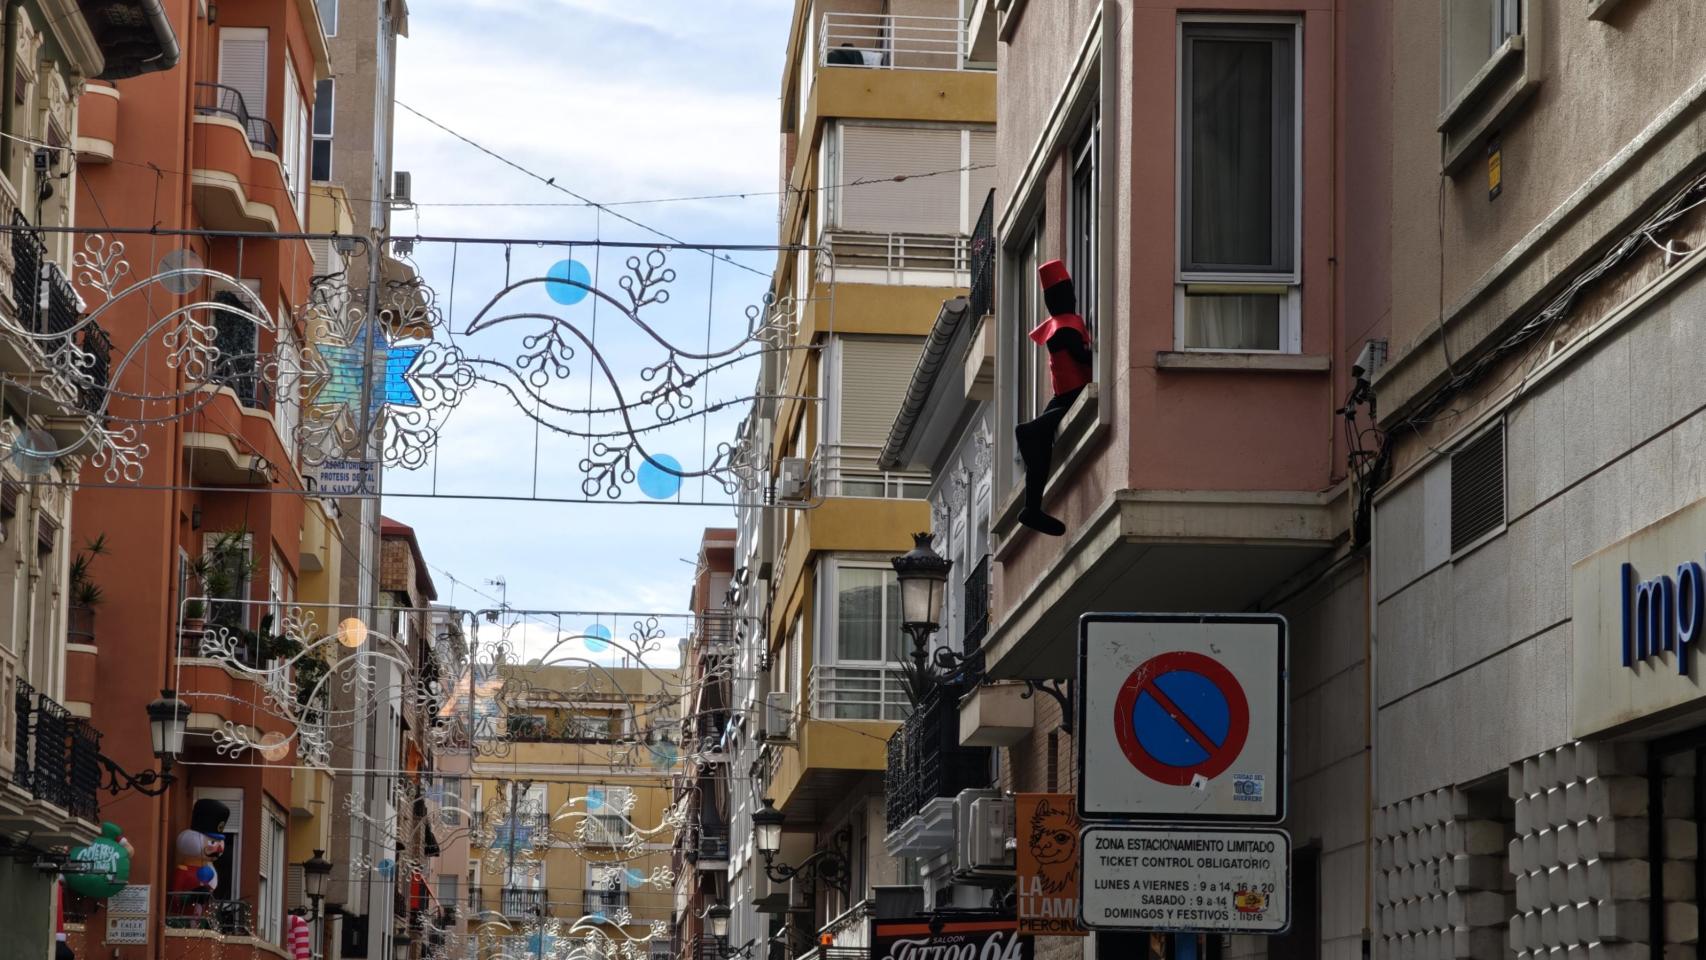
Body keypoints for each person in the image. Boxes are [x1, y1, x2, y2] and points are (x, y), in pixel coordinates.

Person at [1015, 259, 1092, 536]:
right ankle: (1027, 431)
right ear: (1066, 295)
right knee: (1040, 431)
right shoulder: (1066, 328)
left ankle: (1032, 507)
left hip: (1064, 393)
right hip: (1072, 393)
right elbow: (1085, 359)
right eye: (1068, 292)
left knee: (1042, 443)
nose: (1071, 296)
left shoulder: (1060, 327)